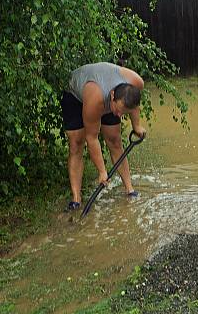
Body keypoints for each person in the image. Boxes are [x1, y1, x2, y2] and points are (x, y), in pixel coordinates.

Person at [61, 62, 147, 211]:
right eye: (119, 110)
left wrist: (136, 126)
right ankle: (76, 199)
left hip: (107, 97)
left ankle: (129, 189)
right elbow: (92, 138)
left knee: (114, 140)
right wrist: (102, 171)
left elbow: (134, 104)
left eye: (123, 113)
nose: (119, 116)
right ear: (112, 96)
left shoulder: (135, 82)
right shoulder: (96, 97)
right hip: (75, 96)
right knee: (77, 142)